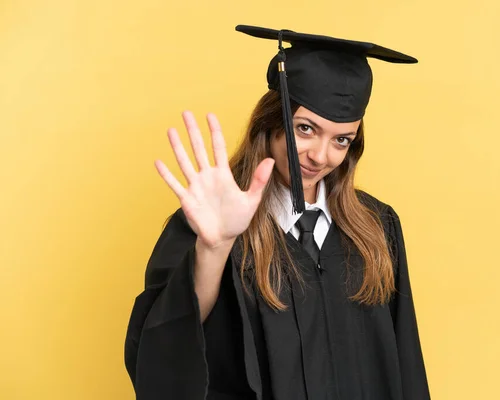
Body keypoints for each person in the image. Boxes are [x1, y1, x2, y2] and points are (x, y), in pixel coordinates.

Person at [124, 25, 430, 400]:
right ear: (271, 124)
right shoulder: (214, 222)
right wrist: (215, 248)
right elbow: (163, 350)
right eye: (305, 129)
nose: (320, 156)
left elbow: (406, 362)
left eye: (341, 140)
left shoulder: (377, 226)